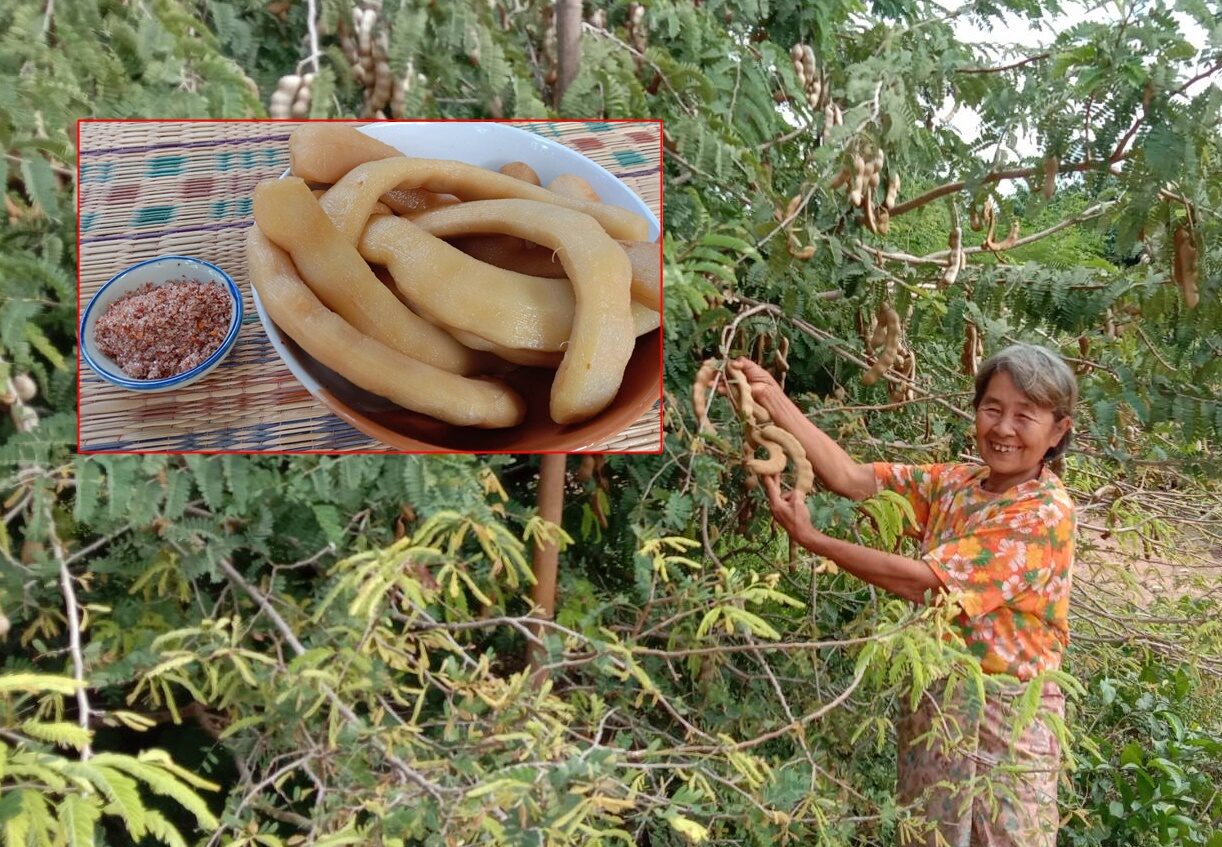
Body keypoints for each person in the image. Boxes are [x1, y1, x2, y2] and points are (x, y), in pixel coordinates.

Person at [731, 342, 1078, 847]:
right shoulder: (958, 484)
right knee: (926, 837)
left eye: (1025, 416)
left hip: (1007, 718)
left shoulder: (1044, 514)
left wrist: (813, 540)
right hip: (937, 698)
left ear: (1058, 431)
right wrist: (774, 399)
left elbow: (927, 583)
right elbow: (854, 478)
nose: (1003, 429)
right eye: (992, 409)